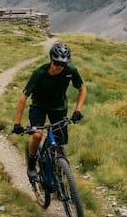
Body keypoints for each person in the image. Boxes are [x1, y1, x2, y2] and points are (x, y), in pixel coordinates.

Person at [12, 42, 87, 182]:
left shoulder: (70, 71)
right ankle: (32, 164)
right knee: (37, 135)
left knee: (59, 144)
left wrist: (78, 110)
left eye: (63, 64)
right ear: (51, 59)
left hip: (58, 108)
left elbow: (82, 89)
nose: (60, 67)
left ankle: (59, 172)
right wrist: (17, 123)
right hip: (39, 107)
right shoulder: (39, 73)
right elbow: (23, 97)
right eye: (57, 63)